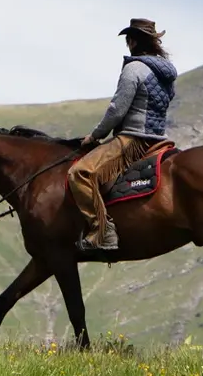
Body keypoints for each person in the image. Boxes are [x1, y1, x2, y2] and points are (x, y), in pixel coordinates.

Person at [69, 18, 178, 251]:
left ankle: (102, 232)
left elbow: (117, 109)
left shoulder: (134, 68)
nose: (128, 43)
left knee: (80, 174)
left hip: (133, 140)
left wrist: (95, 135)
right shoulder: (165, 73)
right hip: (158, 139)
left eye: (129, 38)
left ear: (134, 41)